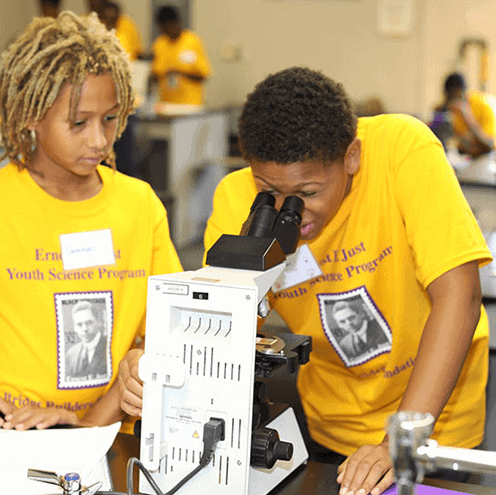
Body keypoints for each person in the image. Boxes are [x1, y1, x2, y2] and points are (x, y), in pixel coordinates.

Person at [118, 66, 492, 495]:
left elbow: (458, 297)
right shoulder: (235, 196)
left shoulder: (403, 151)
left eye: (308, 192)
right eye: (268, 189)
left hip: (431, 426)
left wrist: (397, 442)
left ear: (351, 156)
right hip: (330, 427)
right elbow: (220, 332)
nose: (290, 209)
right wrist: (156, 364)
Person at [0, 11, 182, 432]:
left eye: (111, 118)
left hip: (106, 438)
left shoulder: (139, 205)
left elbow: (165, 337)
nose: (99, 139)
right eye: (78, 123)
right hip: (3, 440)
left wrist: (87, 427)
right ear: (31, 115)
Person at [149, 5, 211, 106]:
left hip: (190, 105)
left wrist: (179, 72)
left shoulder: (192, 41)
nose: (168, 32)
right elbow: (154, 75)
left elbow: (203, 76)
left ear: (178, 22)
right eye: (164, 29)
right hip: (166, 104)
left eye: (170, 27)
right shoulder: (159, 44)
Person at [432, 72, 496, 158]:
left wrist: (466, 117)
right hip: (470, 159)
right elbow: (466, 147)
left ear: (463, 92)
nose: (454, 102)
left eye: (455, 96)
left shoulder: (484, 105)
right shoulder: (452, 111)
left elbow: (489, 146)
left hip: (489, 158)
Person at [66, 300, 108, 379]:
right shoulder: (71, 354)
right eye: (79, 324)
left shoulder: (110, 346)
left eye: (89, 323)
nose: (84, 329)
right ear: (74, 328)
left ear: (98, 322)